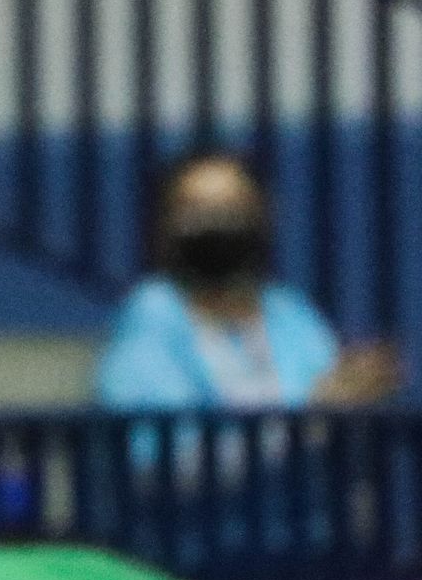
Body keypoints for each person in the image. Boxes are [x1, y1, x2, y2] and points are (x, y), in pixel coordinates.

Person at [96, 152, 399, 411]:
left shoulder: (287, 311)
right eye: (197, 210)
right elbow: (156, 443)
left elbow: (331, 398)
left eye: (233, 209)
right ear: (165, 224)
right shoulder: (152, 313)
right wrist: (311, 415)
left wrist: (350, 390)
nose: (216, 225)